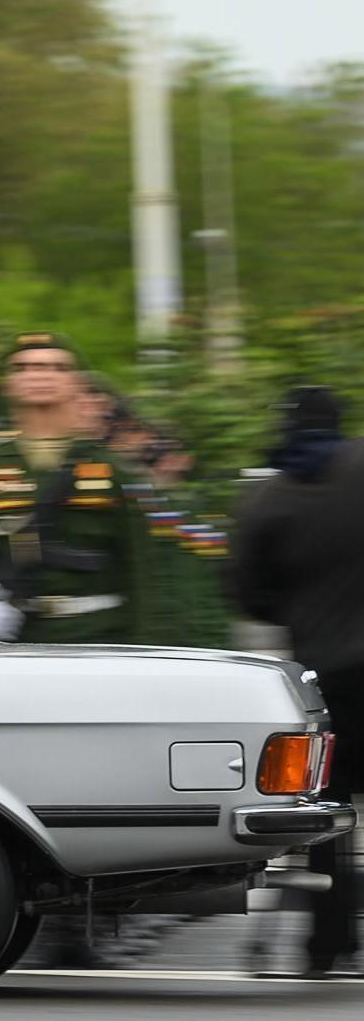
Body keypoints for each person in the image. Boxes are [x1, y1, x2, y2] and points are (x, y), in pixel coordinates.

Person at [227, 385, 361, 977]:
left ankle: (326, 945)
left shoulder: (266, 497)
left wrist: (298, 611)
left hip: (324, 671)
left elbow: (244, 592)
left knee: (326, 812)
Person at [0, 332, 153, 644]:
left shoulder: (112, 467)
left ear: (77, 384)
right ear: (6, 384)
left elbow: (143, 564)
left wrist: (142, 647)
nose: (39, 376)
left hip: (95, 632)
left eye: (56, 368)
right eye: (23, 368)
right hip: (6, 635)